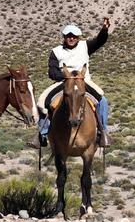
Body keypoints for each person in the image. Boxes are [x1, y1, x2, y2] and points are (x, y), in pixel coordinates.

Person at [32, 17, 113, 148]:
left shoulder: (85, 46)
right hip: (63, 82)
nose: (71, 38)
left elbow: (100, 41)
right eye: (68, 36)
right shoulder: (56, 51)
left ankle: (102, 132)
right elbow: (52, 72)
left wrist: (104, 30)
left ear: (78, 37)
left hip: (84, 81)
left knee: (102, 100)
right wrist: (66, 78)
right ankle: (42, 134)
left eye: (74, 36)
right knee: (42, 102)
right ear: (64, 36)